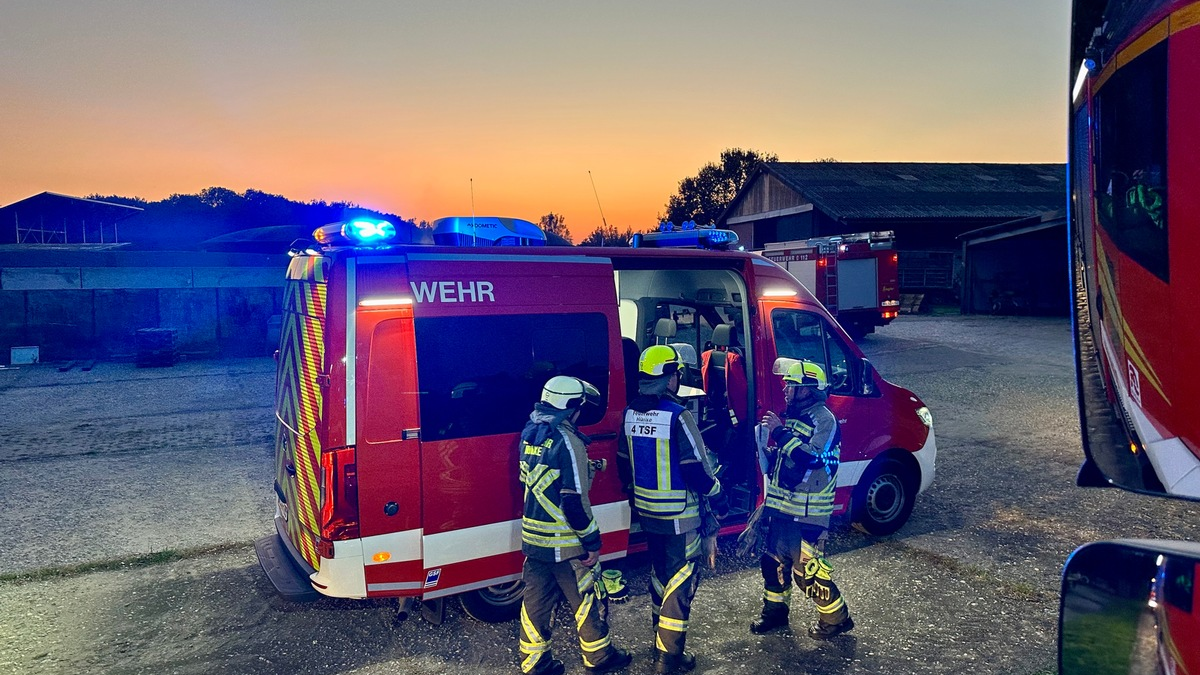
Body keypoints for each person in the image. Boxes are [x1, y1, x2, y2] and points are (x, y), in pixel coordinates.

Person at [617, 345, 728, 675]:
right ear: (667, 379)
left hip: (648, 517)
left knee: (660, 577)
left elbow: (624, 466)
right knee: (680, 585)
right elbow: (696, 468)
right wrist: (719, 496)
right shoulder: (679, 416)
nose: (678, 379)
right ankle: (668, 660)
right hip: (680, 518)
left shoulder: (630, 414)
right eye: (676, 373)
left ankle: (659, 641)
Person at [517, 376, 633, 675]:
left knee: (535, 602)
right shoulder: (568, 441)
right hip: (566, 542)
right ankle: (599, 658)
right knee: (586, 598)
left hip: (534, 538)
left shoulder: (531, 433)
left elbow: (533, 483)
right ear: (571, 408)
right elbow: (572, 501)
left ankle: (535, 664)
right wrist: (592, 543)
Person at [749, 360, 855, 640]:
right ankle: (775, 613)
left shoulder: (825, 420)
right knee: (772, 564)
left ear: (808, 390)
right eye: (786, 385)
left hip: (809, 514)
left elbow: (813, 457)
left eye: (792, 386)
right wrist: (767, 450)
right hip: (783, 508)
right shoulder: (796, 417)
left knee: (808, 573)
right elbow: (790, 461)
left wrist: (779, 433)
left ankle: (836, 619)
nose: (785, 390)